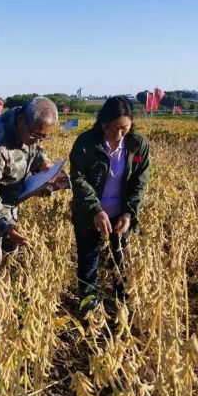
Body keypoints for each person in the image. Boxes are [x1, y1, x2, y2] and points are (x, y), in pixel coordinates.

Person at [0, 97, 69, 285]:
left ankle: (4, 297)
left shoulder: (29, 127)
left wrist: (42, 162)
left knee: (9, 253)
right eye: (35, 136)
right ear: (21, 120)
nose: (36, 141)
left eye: (43, 137)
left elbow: (33, 149)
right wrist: (7, 226)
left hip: (11, 199)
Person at [69, 96, 150, 311]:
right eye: (113, 127)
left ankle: (123, 305)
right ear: (103, 122)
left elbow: (139, 183)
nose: (118, 133)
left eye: (124, 127)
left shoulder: (138, 145)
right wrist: (95, 210)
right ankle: (89, 308)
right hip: (89, 214)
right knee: (89, 261)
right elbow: (78, 180)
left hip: (120, 216)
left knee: (121, 259)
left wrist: (128, 214)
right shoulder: (86, 143)